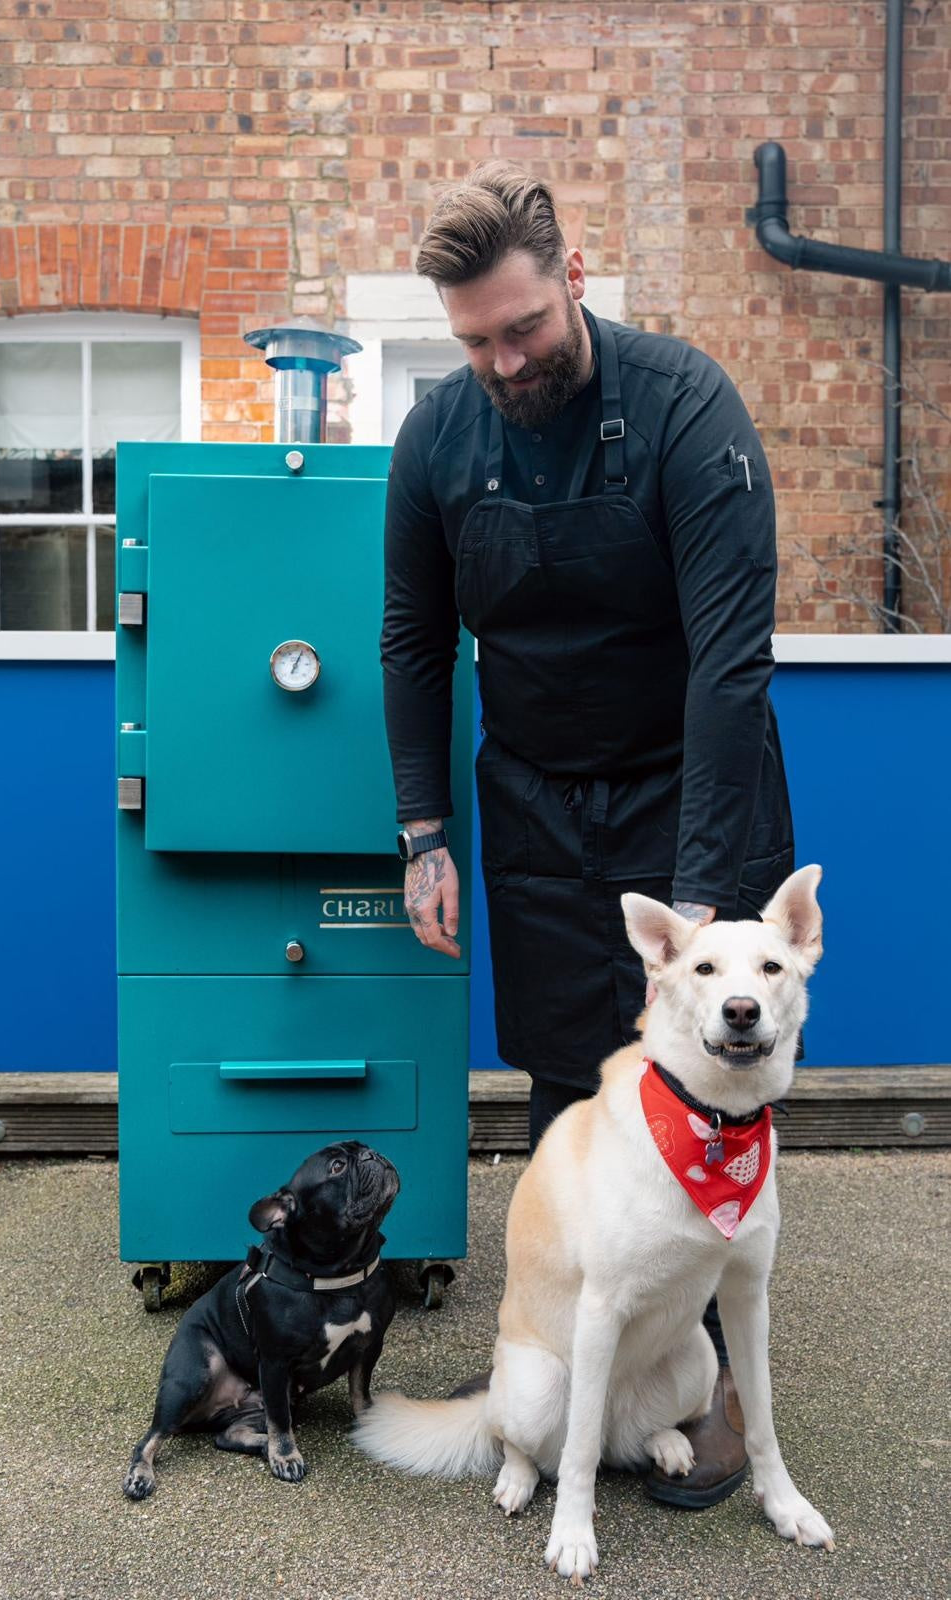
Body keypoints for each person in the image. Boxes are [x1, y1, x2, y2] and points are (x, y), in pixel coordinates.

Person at [381, 163, 794, 1509]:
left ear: (575, 275)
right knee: (572, 1078)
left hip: (695, 774)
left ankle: (717, 1381)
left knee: (713, 1075)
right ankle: (572, 1353)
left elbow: (732, 664)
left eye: (524, 329)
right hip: (538, 797)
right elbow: (413, 640)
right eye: (476, 342)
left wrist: (692, 918)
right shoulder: (438, 437)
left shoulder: (686, 407)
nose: (505, 360)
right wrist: (423, 828)